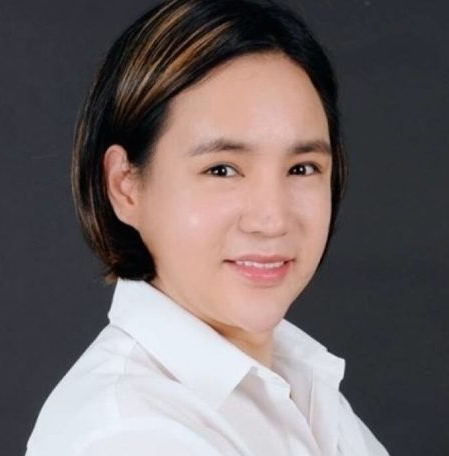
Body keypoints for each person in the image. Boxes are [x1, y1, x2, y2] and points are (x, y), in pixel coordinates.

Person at [25, 0, 389, 454]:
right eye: (222, 169)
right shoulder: (129, 434)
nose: (272, 219)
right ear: (125, 186)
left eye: (302, 168)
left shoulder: (298, 381)